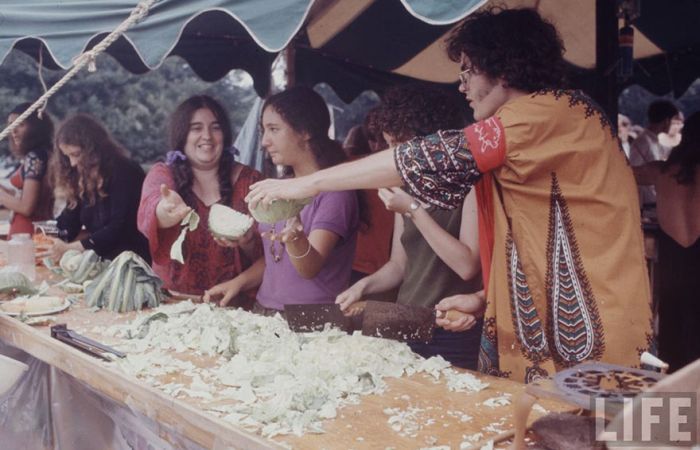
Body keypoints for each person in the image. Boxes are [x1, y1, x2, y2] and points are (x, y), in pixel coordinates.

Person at [246, 7, 653, 382]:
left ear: (502, 69)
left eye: (468, 71)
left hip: (594, 343)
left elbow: (429, 156)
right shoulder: (549, 121)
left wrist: (307, 183)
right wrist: (483, 298)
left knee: (604, 436)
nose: (462, 87)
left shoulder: (546, 113)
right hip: (544, 340)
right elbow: (535, 246)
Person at [336, 84, 483, 369]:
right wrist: (362, 286)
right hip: (402, 318)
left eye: (399, 145)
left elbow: (467, 265)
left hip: (451, 327)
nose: (393, 157)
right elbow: (399, 266)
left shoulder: (471, 187)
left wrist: (414, 211)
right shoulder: (404, 187)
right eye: (389, 145)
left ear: (431, 142)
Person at [205, 86, 360, 313]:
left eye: (274, 129)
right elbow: (275, 261)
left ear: (305, 130)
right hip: (265, 310)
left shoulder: (335, 192)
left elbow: (309, 268)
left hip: (311, 321)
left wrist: (295, 238)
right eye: (263, 131)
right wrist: (237, 282)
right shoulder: (280, 186)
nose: (265, 142)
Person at [137, 95, 263, 302]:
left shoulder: (251, 181)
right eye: (196, 128)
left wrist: (247, 242)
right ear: (182, 135)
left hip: (236, 306)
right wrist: (166, 211)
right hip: (173, 302)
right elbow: (151, 206)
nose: (207, 136)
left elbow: (271, 254)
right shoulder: (162, 175)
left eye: (215, 128)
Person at [634, 111, 700, 372]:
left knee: (672, 332)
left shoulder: (660, 171)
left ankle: (674, 400)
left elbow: (617, 171)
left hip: (673, 264)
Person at [51, 114, 150, 262]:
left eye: (76, 154)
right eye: (67, 156)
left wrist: (74, 247)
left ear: (92, 149)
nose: (72, 163)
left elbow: (119, 228)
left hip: (133, 262)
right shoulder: (83, 177)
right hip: (103, 261)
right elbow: (69, 222)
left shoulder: (126, 171)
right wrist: (47, 237)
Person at [347, 107, 394, 284]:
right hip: (360, 267)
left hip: (389, 270)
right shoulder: (353, 166)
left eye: (386, 139)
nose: (381, 145)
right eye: (375, 139)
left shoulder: (352, 166)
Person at [0, 103, 54, 237]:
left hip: (27, 231)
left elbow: (26, 207)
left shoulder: (35, 157)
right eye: (11, 125)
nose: (14, 131)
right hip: (41, 228)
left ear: (35, 128)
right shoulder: (47, 154)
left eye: (20, 124)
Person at [629, 100, 681, 208]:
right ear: (667, 121)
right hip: (646, 204)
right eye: (672, 121)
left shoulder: (654, 141)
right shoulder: (643, 142)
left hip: (656, 201)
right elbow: (634, 174)